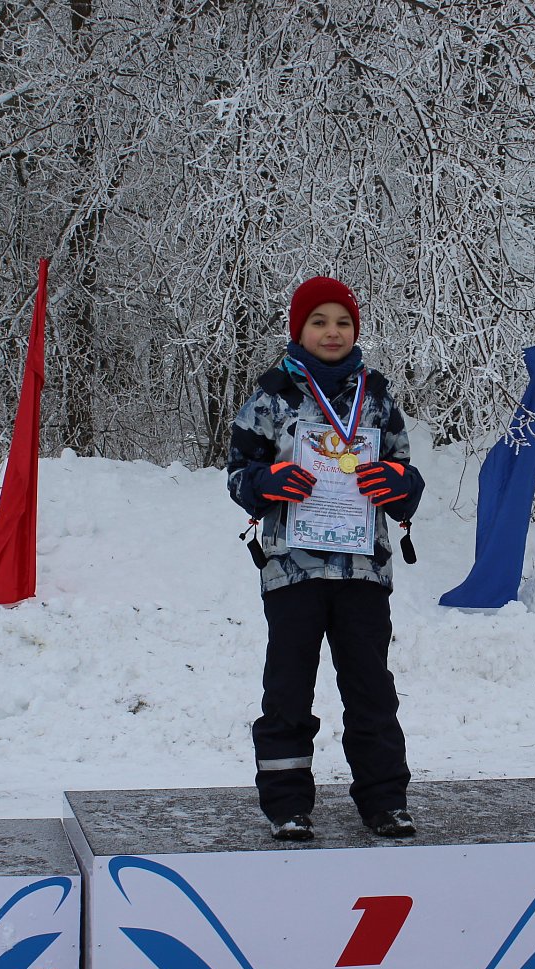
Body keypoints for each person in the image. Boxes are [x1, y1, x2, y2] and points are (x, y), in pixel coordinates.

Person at [227, 276, 424, 841]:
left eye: (342, 322)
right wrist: (266, 482)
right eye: (319, 322)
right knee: (288, 688)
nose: (332, 332)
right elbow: (239, 474)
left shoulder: (378, 397)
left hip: (364, 570)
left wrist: (399, 484)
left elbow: (405, 473)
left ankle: (385, 801)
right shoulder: (271, 396)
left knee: (371, 688)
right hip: (293, 570)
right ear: (299, 330)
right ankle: (287, 804)